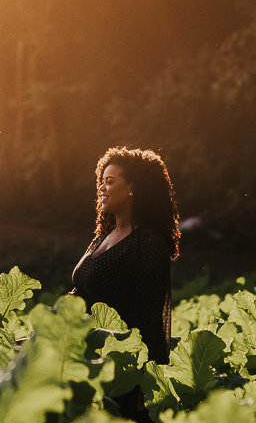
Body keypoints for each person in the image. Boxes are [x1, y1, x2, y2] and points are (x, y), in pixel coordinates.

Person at [71, 146, 181, 420]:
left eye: (110, 181)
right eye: (101, 181)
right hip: (89, 359)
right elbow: (81, 292)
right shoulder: (103, 235)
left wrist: (148, 378)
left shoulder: (148, 242)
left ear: (133, 187)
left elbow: (150, 316)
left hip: (123, 367)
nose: (101, 188)